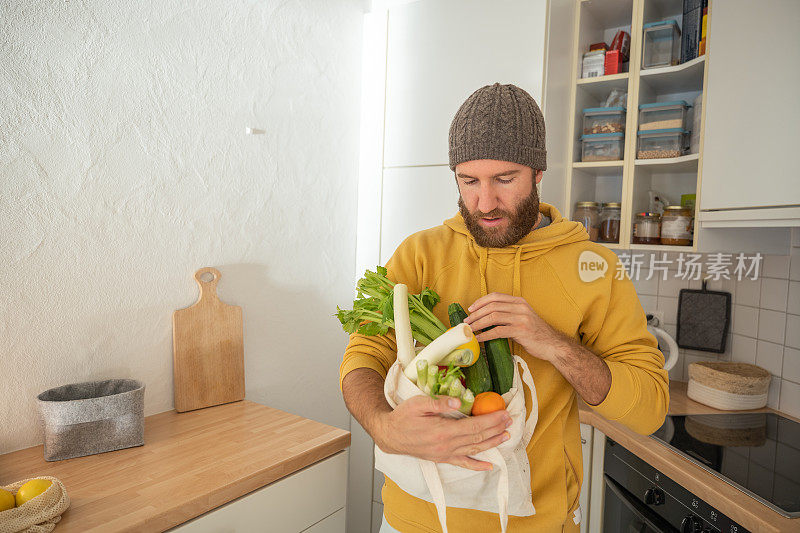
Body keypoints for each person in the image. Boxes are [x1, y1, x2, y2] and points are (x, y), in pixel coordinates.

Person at [339, 83, 669, 532]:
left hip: (538, 523)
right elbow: (363, 356)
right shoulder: (419, 254)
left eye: (504, 179)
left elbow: (649, 409)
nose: (485, 202)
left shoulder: (593, 267)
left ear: (537, 171)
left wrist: (553, 343)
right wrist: (383, 425)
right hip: (415, 520)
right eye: (468, 181)